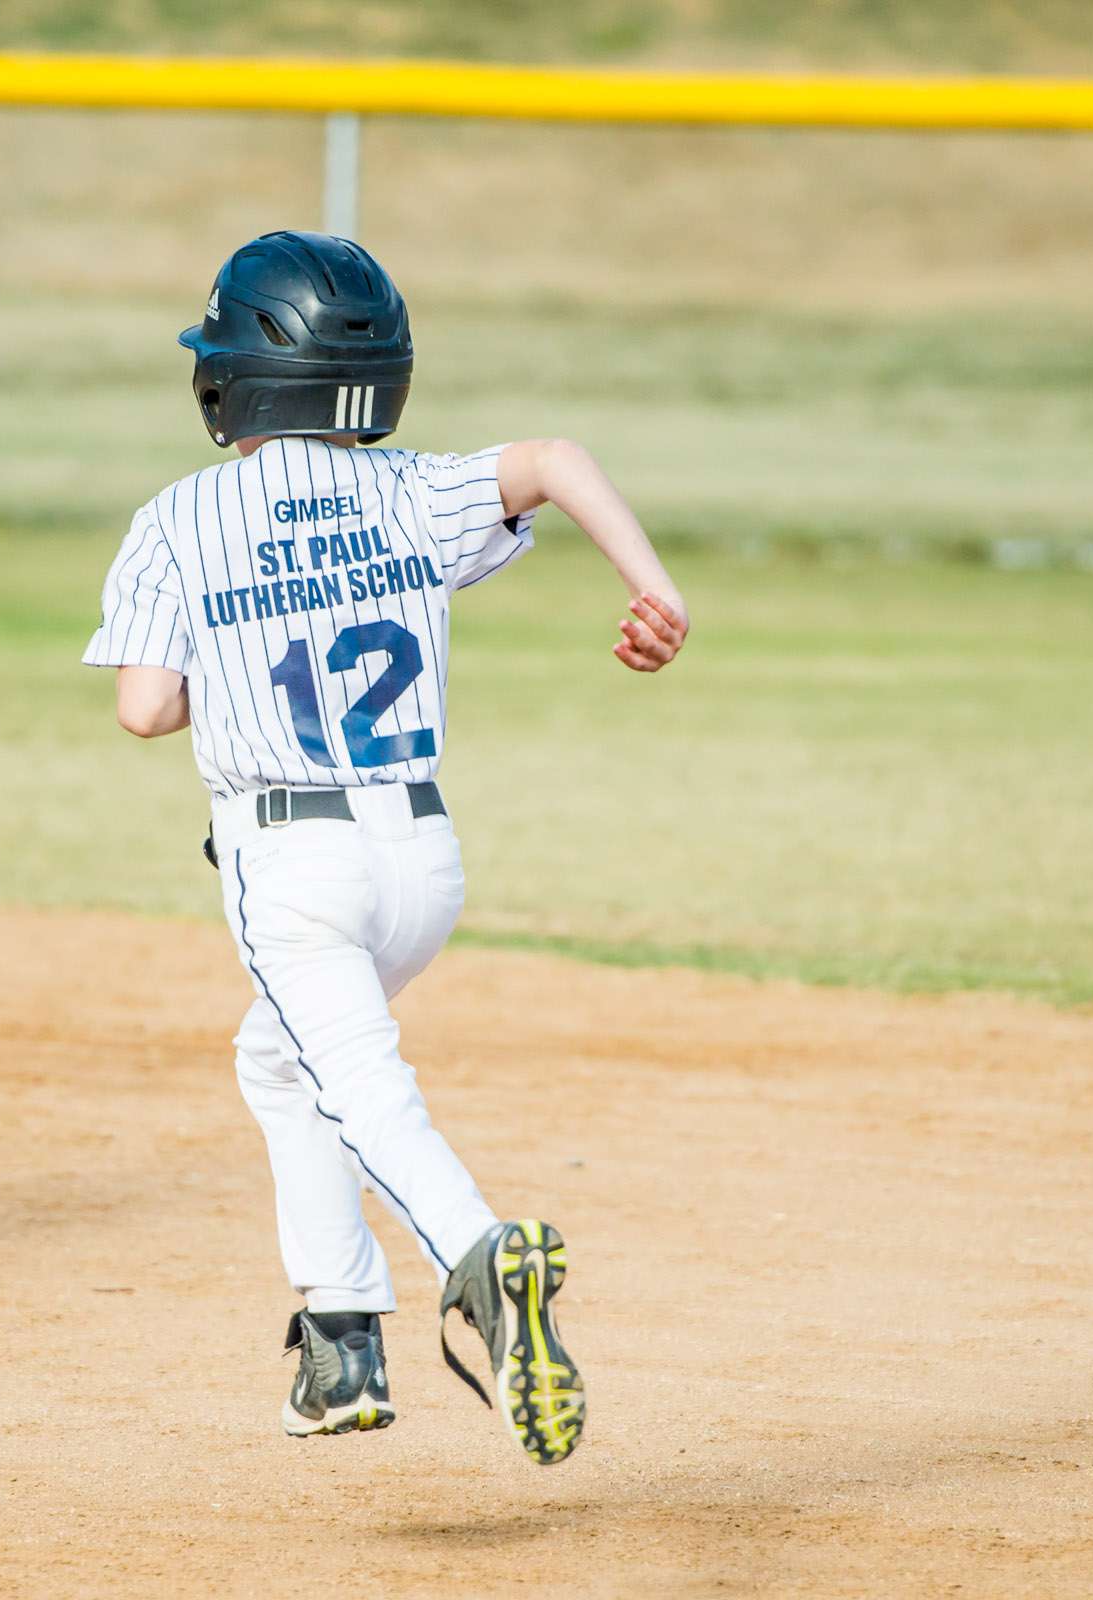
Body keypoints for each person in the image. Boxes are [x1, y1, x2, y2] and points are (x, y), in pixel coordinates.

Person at [83, 231, 689, 1465]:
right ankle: (341, 1336)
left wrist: (234, 662)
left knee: (360, 1085)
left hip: (293, 864)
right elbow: (556, 460)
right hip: (422, 857)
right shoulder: (413, 488)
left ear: (230, 379)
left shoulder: (178, 519)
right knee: (282, 1063)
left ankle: (478, 1266)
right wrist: (654, 589)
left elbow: (145, 707)